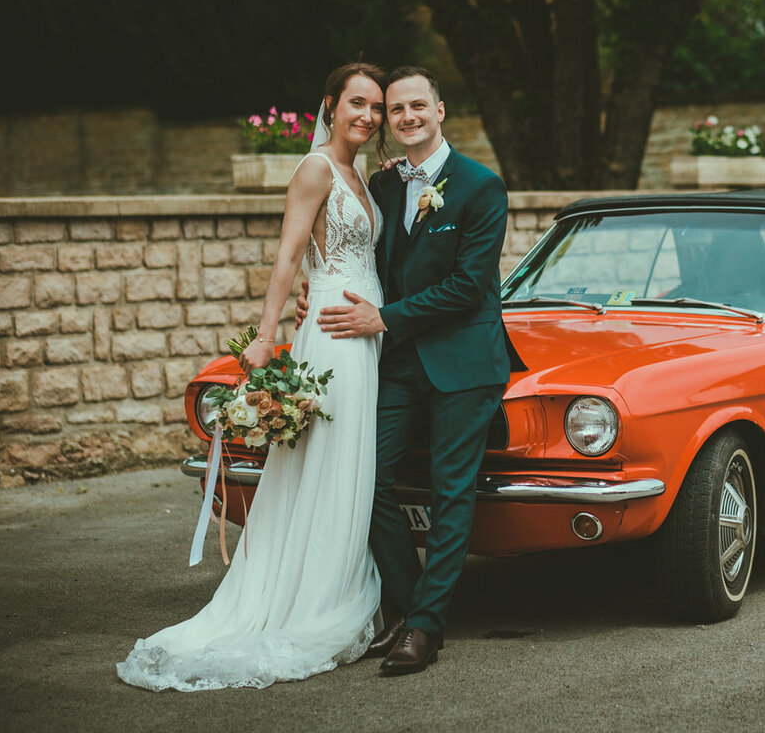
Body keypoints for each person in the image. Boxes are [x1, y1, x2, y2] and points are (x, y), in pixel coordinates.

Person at [116, 63, 388, 691]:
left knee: (346, 469)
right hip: (334, 337)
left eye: (375, 107)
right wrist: (267, 336)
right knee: (325, 464)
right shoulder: (316, 168)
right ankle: (310, 599)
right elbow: (290, 253)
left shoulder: (363, 174)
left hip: (365, 334)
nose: (368, 117)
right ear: (329, 105)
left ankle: (332, 579)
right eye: (357, 104)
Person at [311, 65, 512, 675]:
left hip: (463, 360)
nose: (406, 118)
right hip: (397, 361)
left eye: (416, 106)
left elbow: (468, 287)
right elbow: (368, 268)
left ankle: (426, 628)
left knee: (452, 494)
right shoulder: (385, 185)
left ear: (441, 110)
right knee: (365, 477)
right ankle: (405, 604)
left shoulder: (481, 187)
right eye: (395, 110)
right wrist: (316, 297)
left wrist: (385, 319)